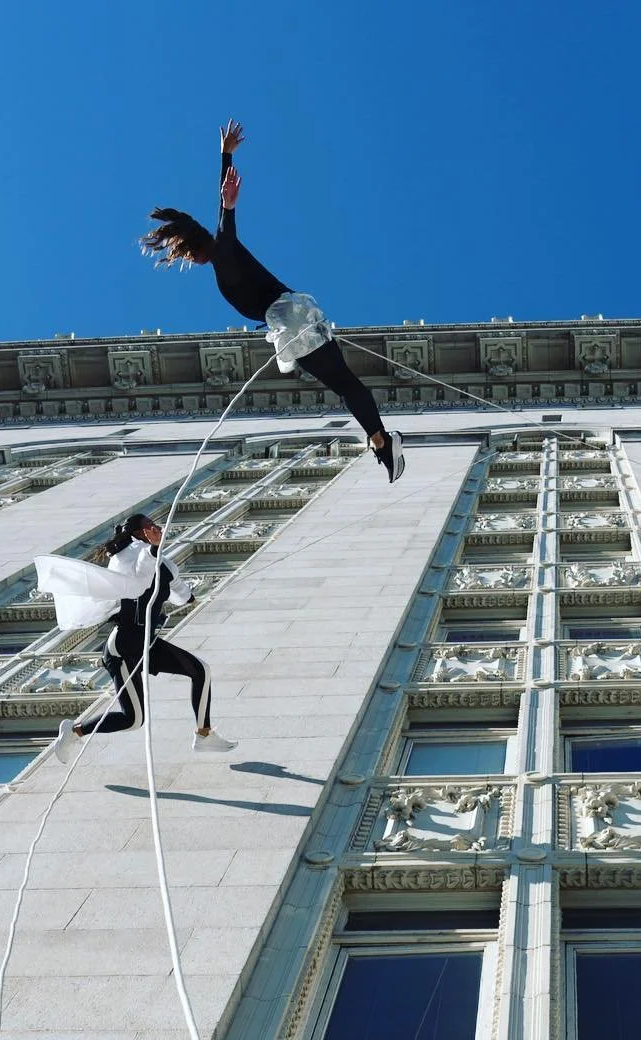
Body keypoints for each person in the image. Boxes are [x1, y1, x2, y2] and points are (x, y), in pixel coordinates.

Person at [140, 120, 405, 484]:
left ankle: (381, 441)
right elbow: (222, 213)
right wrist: (225, 159)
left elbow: (225, 223)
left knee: (344, 383)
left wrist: (229, 196)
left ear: (190, 250)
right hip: (294, 316)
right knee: (343, 383)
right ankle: (380, 440)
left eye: (184, 254)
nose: (188, 261)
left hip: (290, 318)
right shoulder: (221, 255)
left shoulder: (223, 255)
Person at [54, 512, 232, 762]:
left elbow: (179, 590)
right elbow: (139, 579)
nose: (157, 528)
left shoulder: (163, 562)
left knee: (201, 670)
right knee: (133, 720)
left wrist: (191, 598)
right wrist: (152, 551)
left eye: (156, 526)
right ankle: (74, 731)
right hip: (123, 647)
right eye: (150, 526)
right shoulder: (124, 557)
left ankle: (204, 734)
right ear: (138, 533)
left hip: (146, 644)